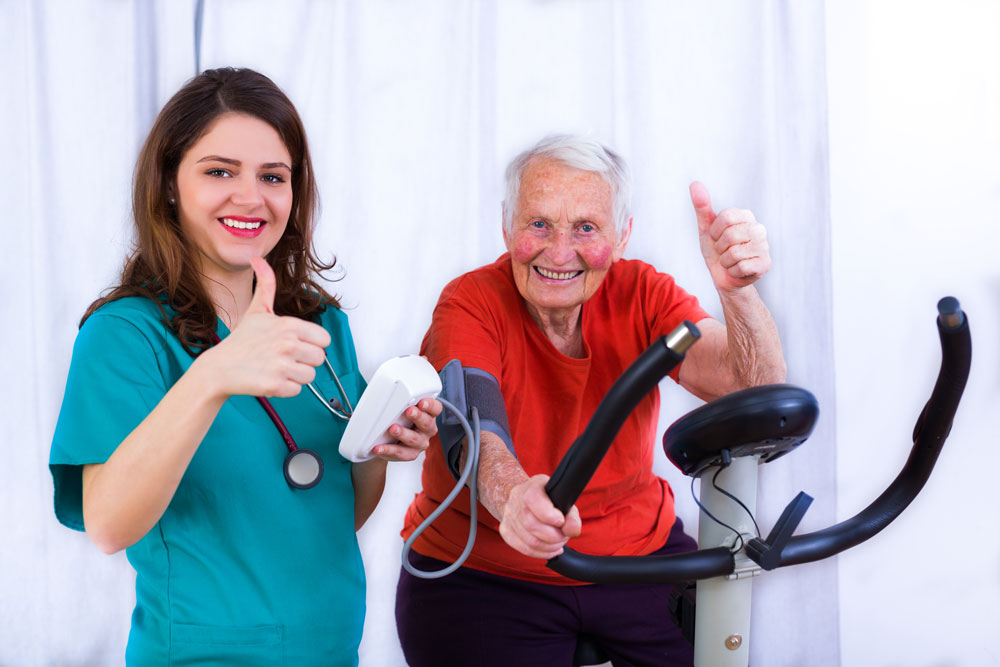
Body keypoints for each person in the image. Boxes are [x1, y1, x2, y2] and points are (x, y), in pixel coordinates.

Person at [49, 67, 441, 666]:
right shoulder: (125, 334)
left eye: (273, 177)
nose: (250, 196)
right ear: (170, 183)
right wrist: (213, 376)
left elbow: (335, 511)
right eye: (219, 171)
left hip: (331, 650)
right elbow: (107, 525)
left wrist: (378, 446)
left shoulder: (320, 321)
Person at [395, 134, 786, 666]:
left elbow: (754, 389)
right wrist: (514, 499)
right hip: (486, 569)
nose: (560, 253)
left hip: (637, 557)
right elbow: (473, 419)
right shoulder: (471, 301)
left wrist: (738, 293)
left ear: (622, 235)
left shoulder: (642, 292)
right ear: (507, 226)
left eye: (585, 228)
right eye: (539, 224)